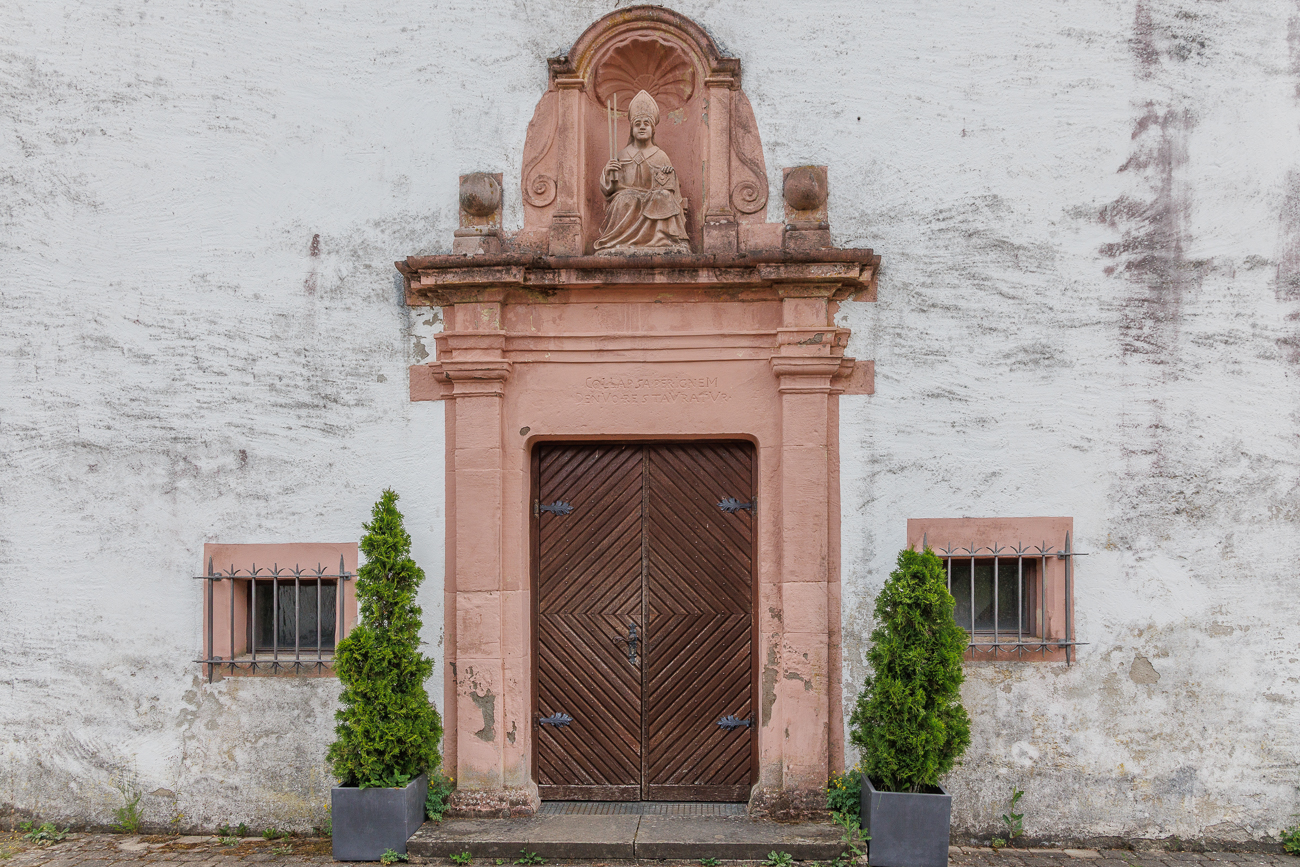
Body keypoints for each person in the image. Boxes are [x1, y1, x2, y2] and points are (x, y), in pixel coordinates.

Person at [594, 89, 690, 253]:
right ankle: (620, 240)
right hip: (628, 195)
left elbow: (671, 189)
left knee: (664, 196)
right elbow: (611, 189)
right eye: (637, 124)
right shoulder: (622, 154)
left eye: (646, 124)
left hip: (652, 196)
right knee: (625, 199)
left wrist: (668, 174)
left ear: (653, 129)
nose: (642, 127)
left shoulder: (660, 155)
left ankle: (662, 239)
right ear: (631, 129)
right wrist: (608, 172)